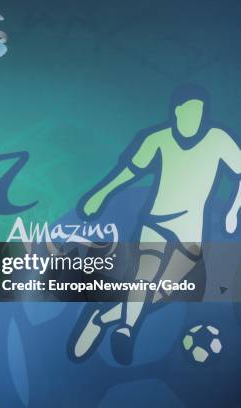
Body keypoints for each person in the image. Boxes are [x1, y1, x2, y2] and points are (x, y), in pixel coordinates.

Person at [70, 85, 241, 365]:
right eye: (189, 111)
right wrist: (99, 195)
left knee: (165, 291)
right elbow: (129, 172)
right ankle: (126, 330)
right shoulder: (158, 139)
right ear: (177, 112)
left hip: (191, 235)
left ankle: (103, 317)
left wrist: (233, 211)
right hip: (157, 223)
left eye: (199, 112)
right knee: (145, 276)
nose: (194, 117)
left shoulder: (218, 140)